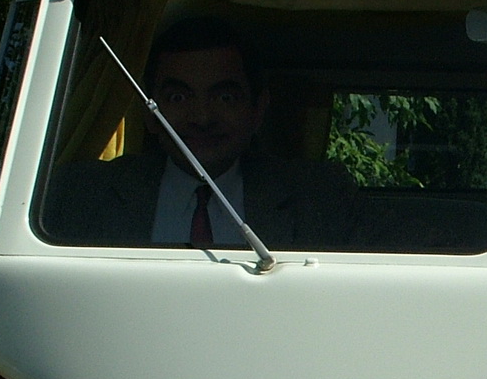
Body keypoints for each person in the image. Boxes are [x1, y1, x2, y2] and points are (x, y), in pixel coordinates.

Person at [43, 16, 360, 249]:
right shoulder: (80, 196)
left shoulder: (320, 200)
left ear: (258, 109)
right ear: (149, 112)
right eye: (178, 98)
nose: (202, 117)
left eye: (225, 97)